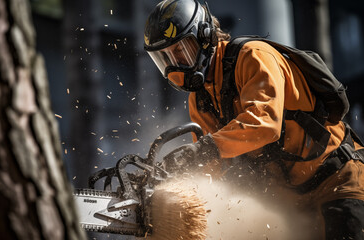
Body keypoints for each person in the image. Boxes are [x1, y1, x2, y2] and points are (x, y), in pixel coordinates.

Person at [143, 0, 364, 239]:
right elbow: (213, 168)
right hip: (290, 199)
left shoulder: (253, 57)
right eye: (166, 57)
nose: (177, 63)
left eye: (182, 50)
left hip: (337, 182)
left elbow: (264, 123)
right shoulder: (200, 99)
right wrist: (177, 181)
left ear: (205, 37)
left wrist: (200, 151)